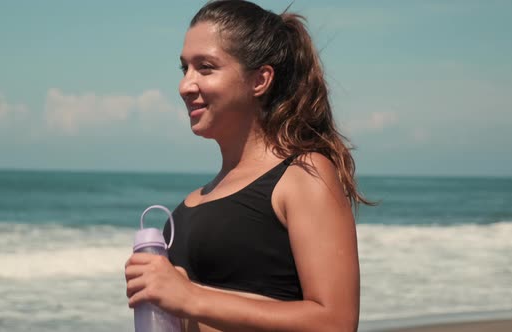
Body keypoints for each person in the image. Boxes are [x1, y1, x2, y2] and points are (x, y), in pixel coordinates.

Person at [125, 1, 370, 331]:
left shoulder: (303, 174)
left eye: (206, 67)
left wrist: (190, 297)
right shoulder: (190, 205)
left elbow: (336, 322)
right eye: (185, 69)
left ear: (260, 80)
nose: (185, 85)